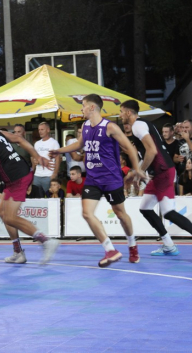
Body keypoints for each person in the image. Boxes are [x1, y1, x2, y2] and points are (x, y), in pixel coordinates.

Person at [49, 94, 146, 267]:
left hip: (111, 178)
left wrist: (137, 170)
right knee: (86, 213)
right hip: (93, 178)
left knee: (120, 214)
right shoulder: (85, 126)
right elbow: (79, 145)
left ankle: (132, 245)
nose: (81, 109)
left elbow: (130, 148)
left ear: (92, 107)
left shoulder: (110, 127)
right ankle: (110, 249)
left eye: (83, 106)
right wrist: (59, 150)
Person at [120, 100, 192, 262]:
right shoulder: (142, 125)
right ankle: (169, 245)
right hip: (158, 172)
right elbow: (150, 151)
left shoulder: (137, 125)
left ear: (128, 113)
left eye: (121, 111)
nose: (121, 114)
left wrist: (139, 171)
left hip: (162, 171)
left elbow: (151, 151)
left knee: (168, 212)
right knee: (145, 208)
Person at [0, 109, 59, 265]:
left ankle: (46, 241)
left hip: (17, 178)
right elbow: (19, 139)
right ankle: (18, 252)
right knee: (2, 211)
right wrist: (37, 156)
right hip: (17, 175)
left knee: (10, 216)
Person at [32, 122, 61, 192]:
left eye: (42, 129)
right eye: (39, 130)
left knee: (49, 198)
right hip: (37, 175)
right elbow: (34, 158)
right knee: (36, 198)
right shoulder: (37, 144)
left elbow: (58, 159)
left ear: (48, 130)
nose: (40, 131)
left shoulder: (54, 143)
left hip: (48, 175)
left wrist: (55, 174)